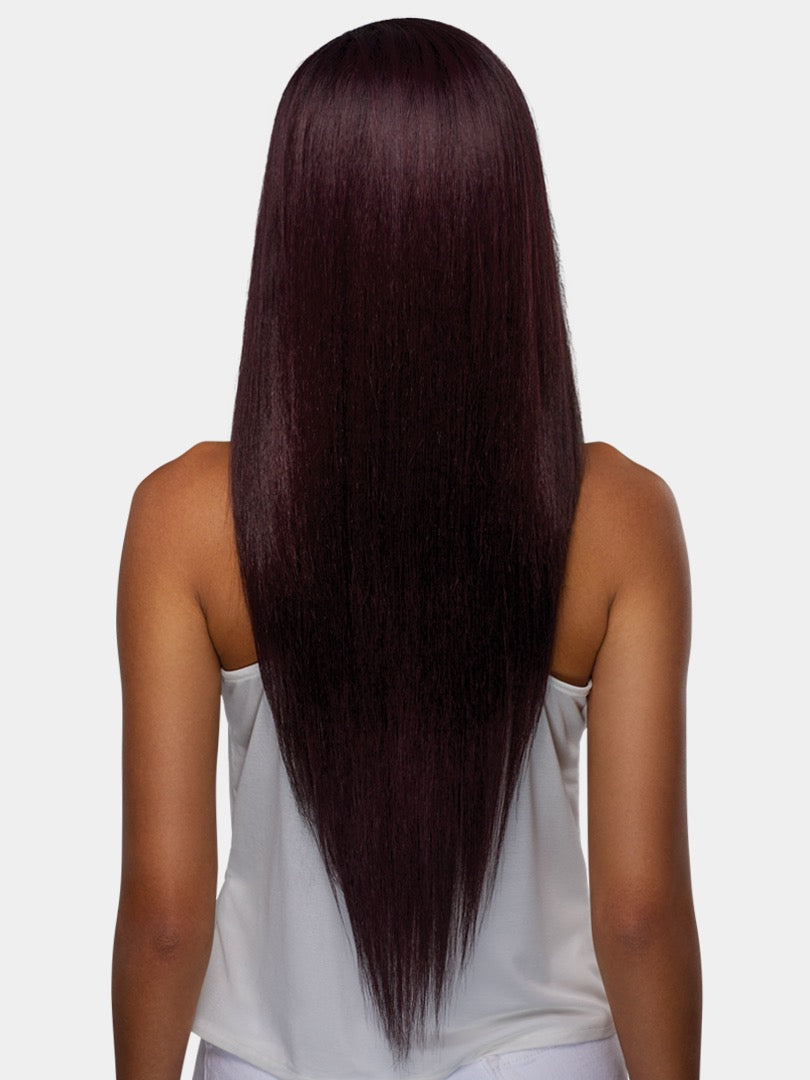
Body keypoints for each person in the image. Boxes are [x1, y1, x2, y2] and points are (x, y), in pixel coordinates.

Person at [112, 17, 702, 1080]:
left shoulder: (185, 518)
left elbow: (164, 917)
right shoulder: (618, 517)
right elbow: (639, 912)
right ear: (509, 231)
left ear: (297, 226)